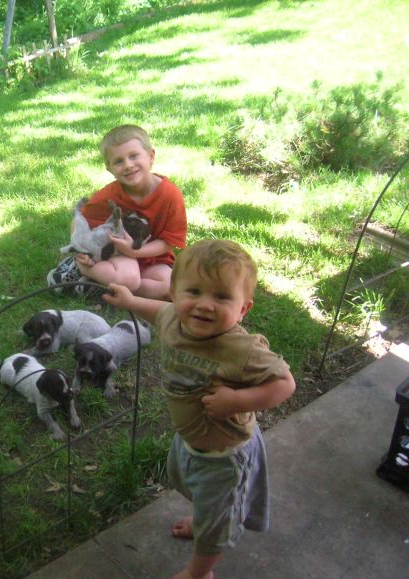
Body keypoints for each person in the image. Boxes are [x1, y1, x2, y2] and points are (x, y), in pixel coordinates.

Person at [103, 239, 296, 579]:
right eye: (194, 292)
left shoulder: (241, 349)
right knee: (195, 492)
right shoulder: (175, 322)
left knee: (218, 523)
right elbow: (158, 312)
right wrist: (131, 301)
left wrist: (238, 401)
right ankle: (204, 518)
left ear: (243, 309)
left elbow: (285, 384)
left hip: (225, 456)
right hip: (190, 441)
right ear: (173, 293)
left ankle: (199, 572)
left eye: (221, 296)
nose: (205, 305)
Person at [75, 124, 187, 300]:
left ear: (151, 156)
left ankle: (101, 286)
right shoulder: (109, 196)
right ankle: (84, 270)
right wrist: (82, 251)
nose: (128, 165)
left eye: (134, 156)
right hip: (117, 255)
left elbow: (168, 241)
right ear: (109, 168)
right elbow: (80, 219)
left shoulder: (171, 195)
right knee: (130, 280)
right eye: (119, 161)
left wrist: (136, 252)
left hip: (153, 256)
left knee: (169, 288)